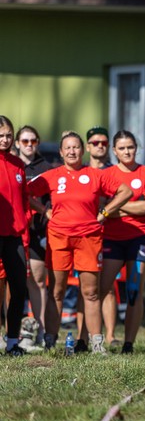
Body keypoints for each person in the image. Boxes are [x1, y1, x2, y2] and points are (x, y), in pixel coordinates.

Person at [27, 131, 132, 354]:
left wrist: (105, 212)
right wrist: (44, 211)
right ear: (61, 152)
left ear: (82, 151)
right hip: (58, 237)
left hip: (89, 237)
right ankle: (50, 341)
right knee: (57, 291)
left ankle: (96, 344)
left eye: (76, 147)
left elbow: (126, 191)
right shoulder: (52, 175)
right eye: (68, 148)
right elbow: (24, 192)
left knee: (91, 292)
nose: (72, 151)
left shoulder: (95, 174)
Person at [98, 130, 145, 354]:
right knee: (103, 288)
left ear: (136, 148)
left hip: (140, 238)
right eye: (122, 148)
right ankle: (103, 336)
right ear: (114, 151)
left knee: (134, 290)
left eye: (130, 147)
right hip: (112, 238)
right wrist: (114, 209)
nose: (127, 151)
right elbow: (101, 210)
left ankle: (128, 344)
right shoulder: (107, 175)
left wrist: (116, 206)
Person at [83, 125, 122, 348]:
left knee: (108, 286)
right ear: (88, 146)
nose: (100, 146)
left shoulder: (114, 171)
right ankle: (84, 335)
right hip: (84, 235)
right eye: (95, 143)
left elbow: (122, 200)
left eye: (104, 143)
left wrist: (105, 210)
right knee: (86, 287)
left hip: (110, 233)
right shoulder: (80, 170)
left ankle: (110, 335)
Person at [16, 125, 54, 349]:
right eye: (24, 141)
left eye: (33, 141)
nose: (29, 145)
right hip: (14, 230)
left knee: (38, 282)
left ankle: (40, 332)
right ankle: (11, 332)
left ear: (38, 143)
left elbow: (52, 201)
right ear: (17, 144)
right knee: (12, 283)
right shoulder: (10, 163)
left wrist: (43, 215)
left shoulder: (46, 167)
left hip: (37, 231)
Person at [0, 116, 31, 356]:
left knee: (19, 288)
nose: (6, 139)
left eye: (9, 135)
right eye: (1, 135)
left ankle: (12, 341)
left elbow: (23, 202)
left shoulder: (18, 164)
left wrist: (24, 230)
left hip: (15, 237)